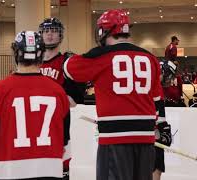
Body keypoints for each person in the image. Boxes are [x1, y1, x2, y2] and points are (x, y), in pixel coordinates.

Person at [63, 9, 168, 180]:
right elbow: (157, 99)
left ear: (104, 32)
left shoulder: (101, 56)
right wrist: (163, 126)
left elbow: (68, 68)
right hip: (146, 139)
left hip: (115, 139)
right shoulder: (150, 59)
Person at [0, 31, 71, 180]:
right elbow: (65, 143)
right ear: (41, 54)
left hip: (11, 172)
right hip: (51, 171)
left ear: (16, 54)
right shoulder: (58, 91)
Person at [38, 17, 86, 179]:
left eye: (54, 31)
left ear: (60, 36)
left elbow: (74, 101)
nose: (50, 35)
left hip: (59, 127)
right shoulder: (31, 62)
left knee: (61, 172)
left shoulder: (67, 62)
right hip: (33, 126)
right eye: (46, 31)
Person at [153, 60, 175, 180]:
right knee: (156, 167)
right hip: (152, 133)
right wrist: (164, 128)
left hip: (143, 131)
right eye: (168, 75)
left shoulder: (148, 83)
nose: (169, 79)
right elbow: (158, 114)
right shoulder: (156, 87)